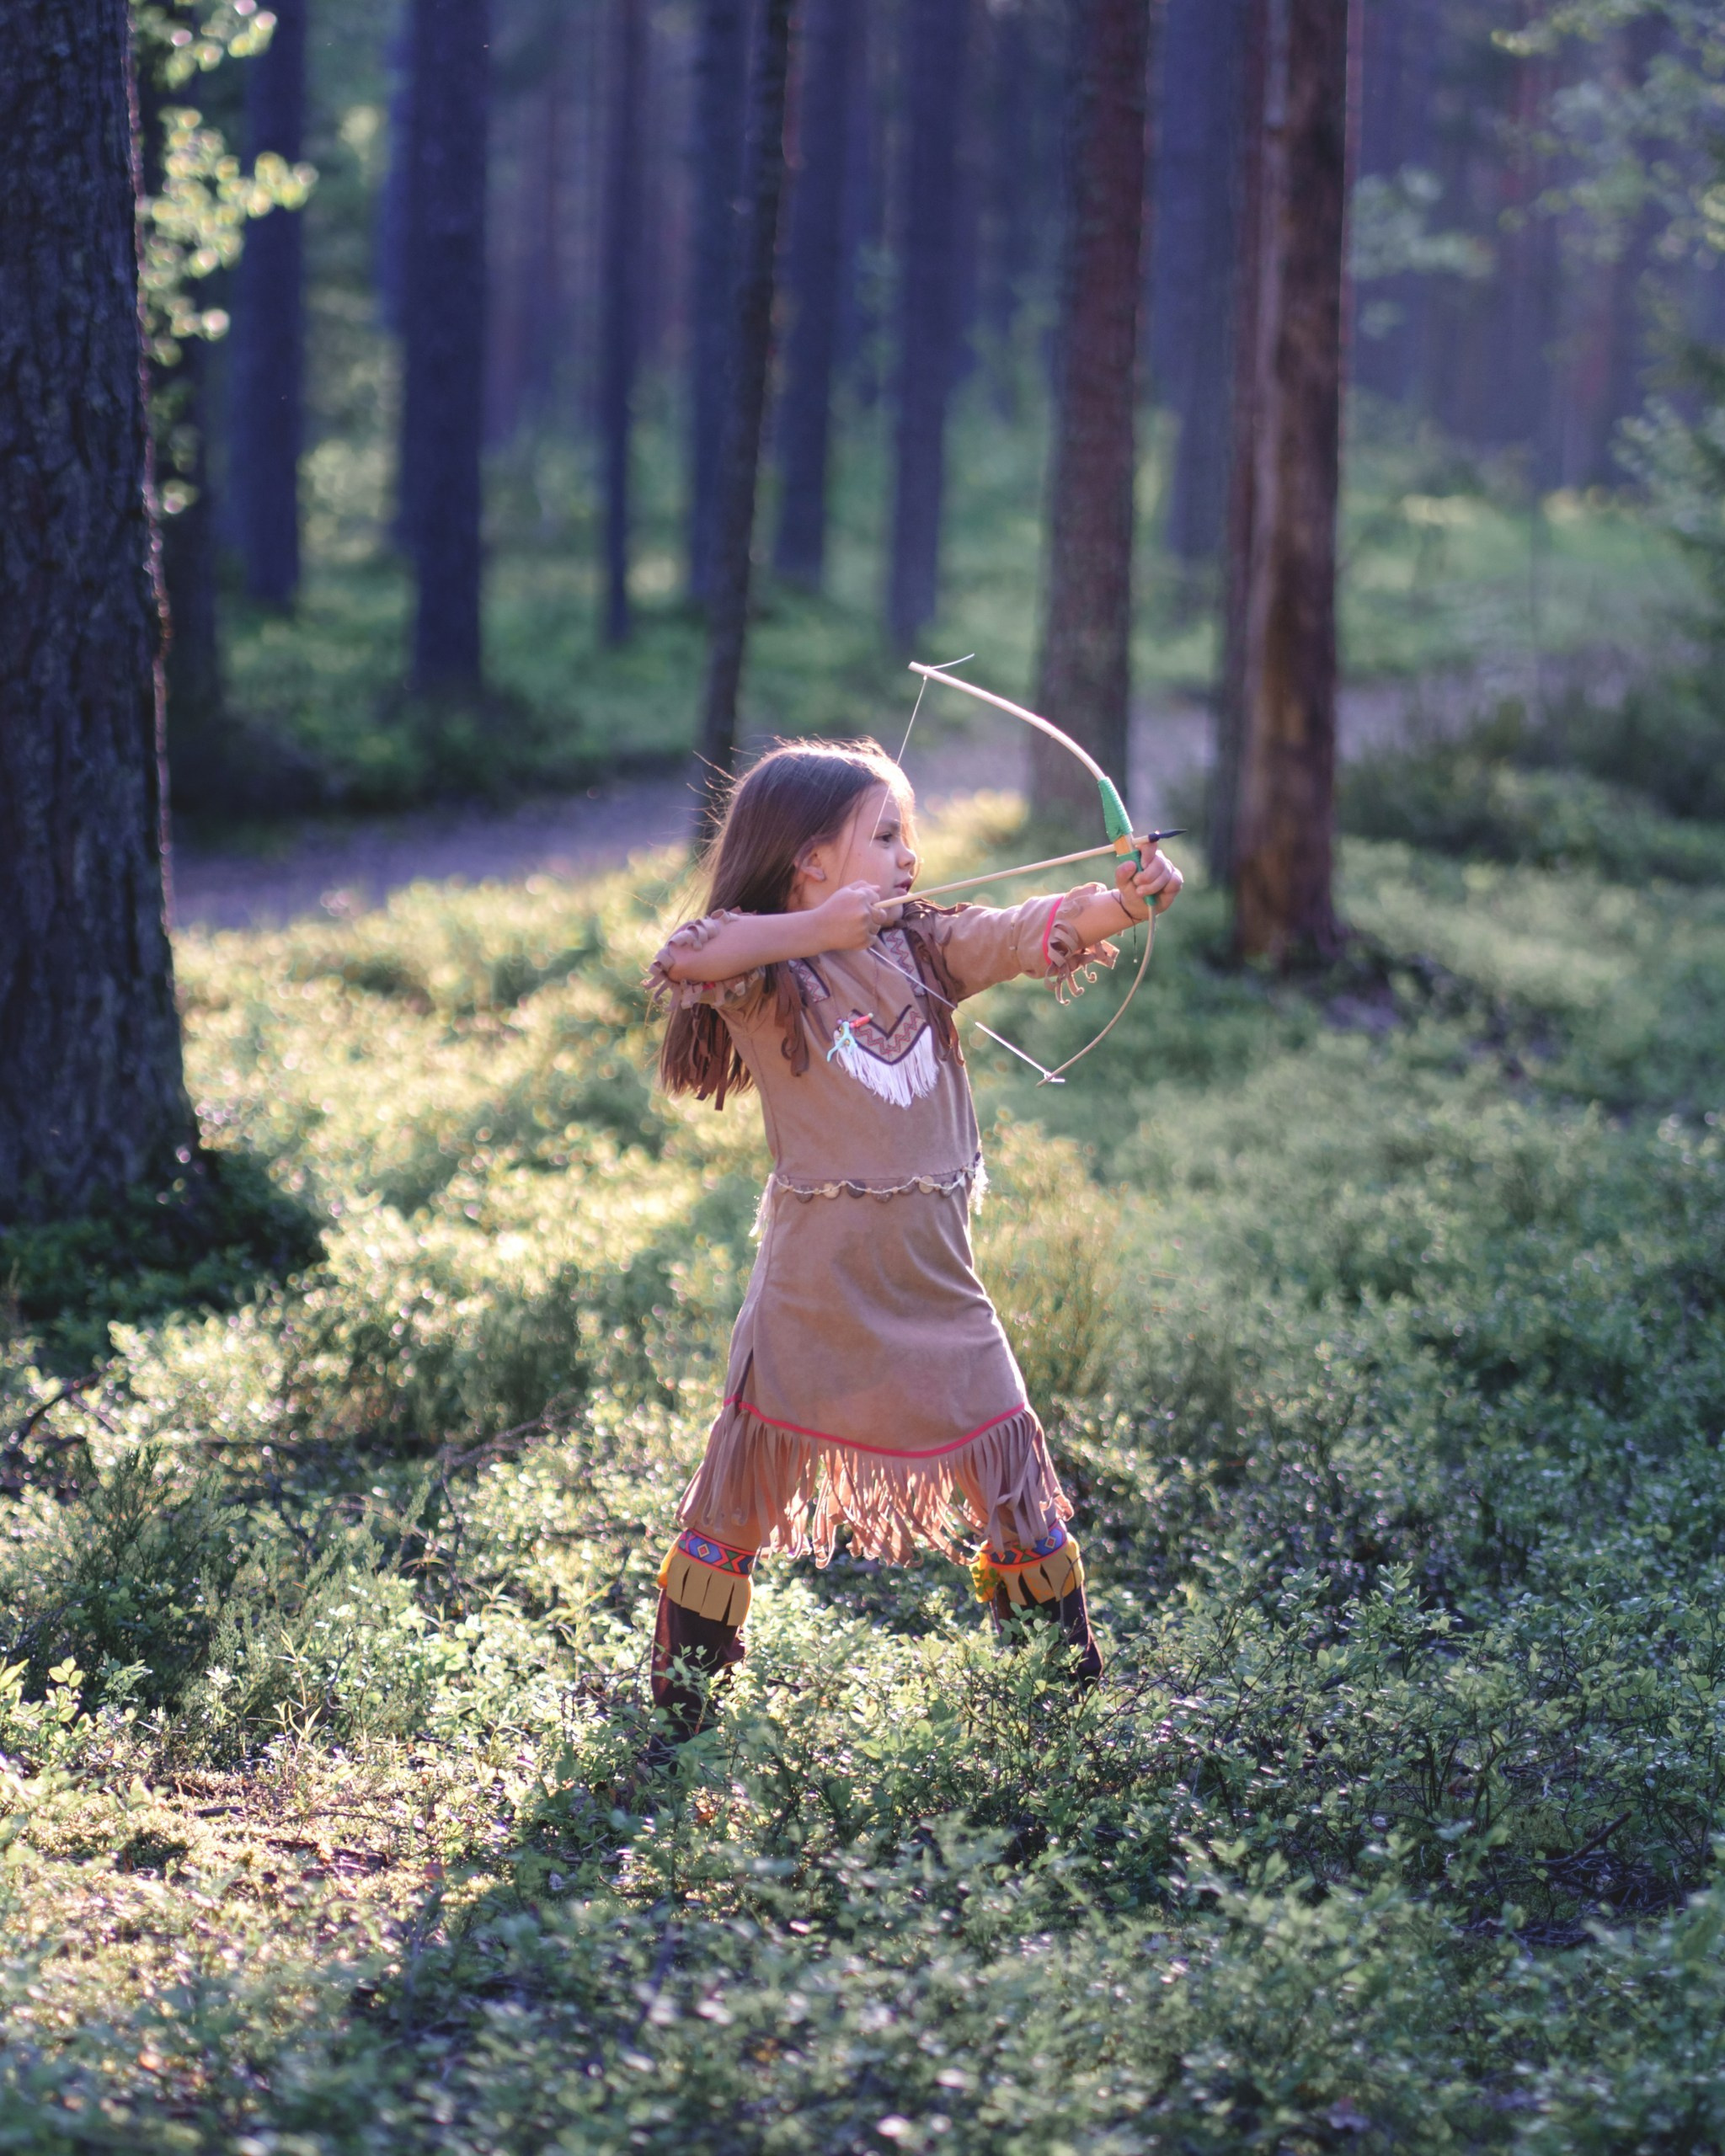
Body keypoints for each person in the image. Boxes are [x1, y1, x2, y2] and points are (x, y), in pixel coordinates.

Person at [644, 738, 1183, 1742]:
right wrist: (811, 927)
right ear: (807, 859)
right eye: (884, 835)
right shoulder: (769, 967)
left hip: (934, 1278)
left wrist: (1132, 897)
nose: (908, 858)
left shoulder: (923, 945)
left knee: (1010, 1461)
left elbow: (1033, 927)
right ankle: (683, 1700)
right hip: (816, 1281)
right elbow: (681, 957)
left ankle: (1053, 1697)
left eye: (908, 837)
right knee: (739, 1491)